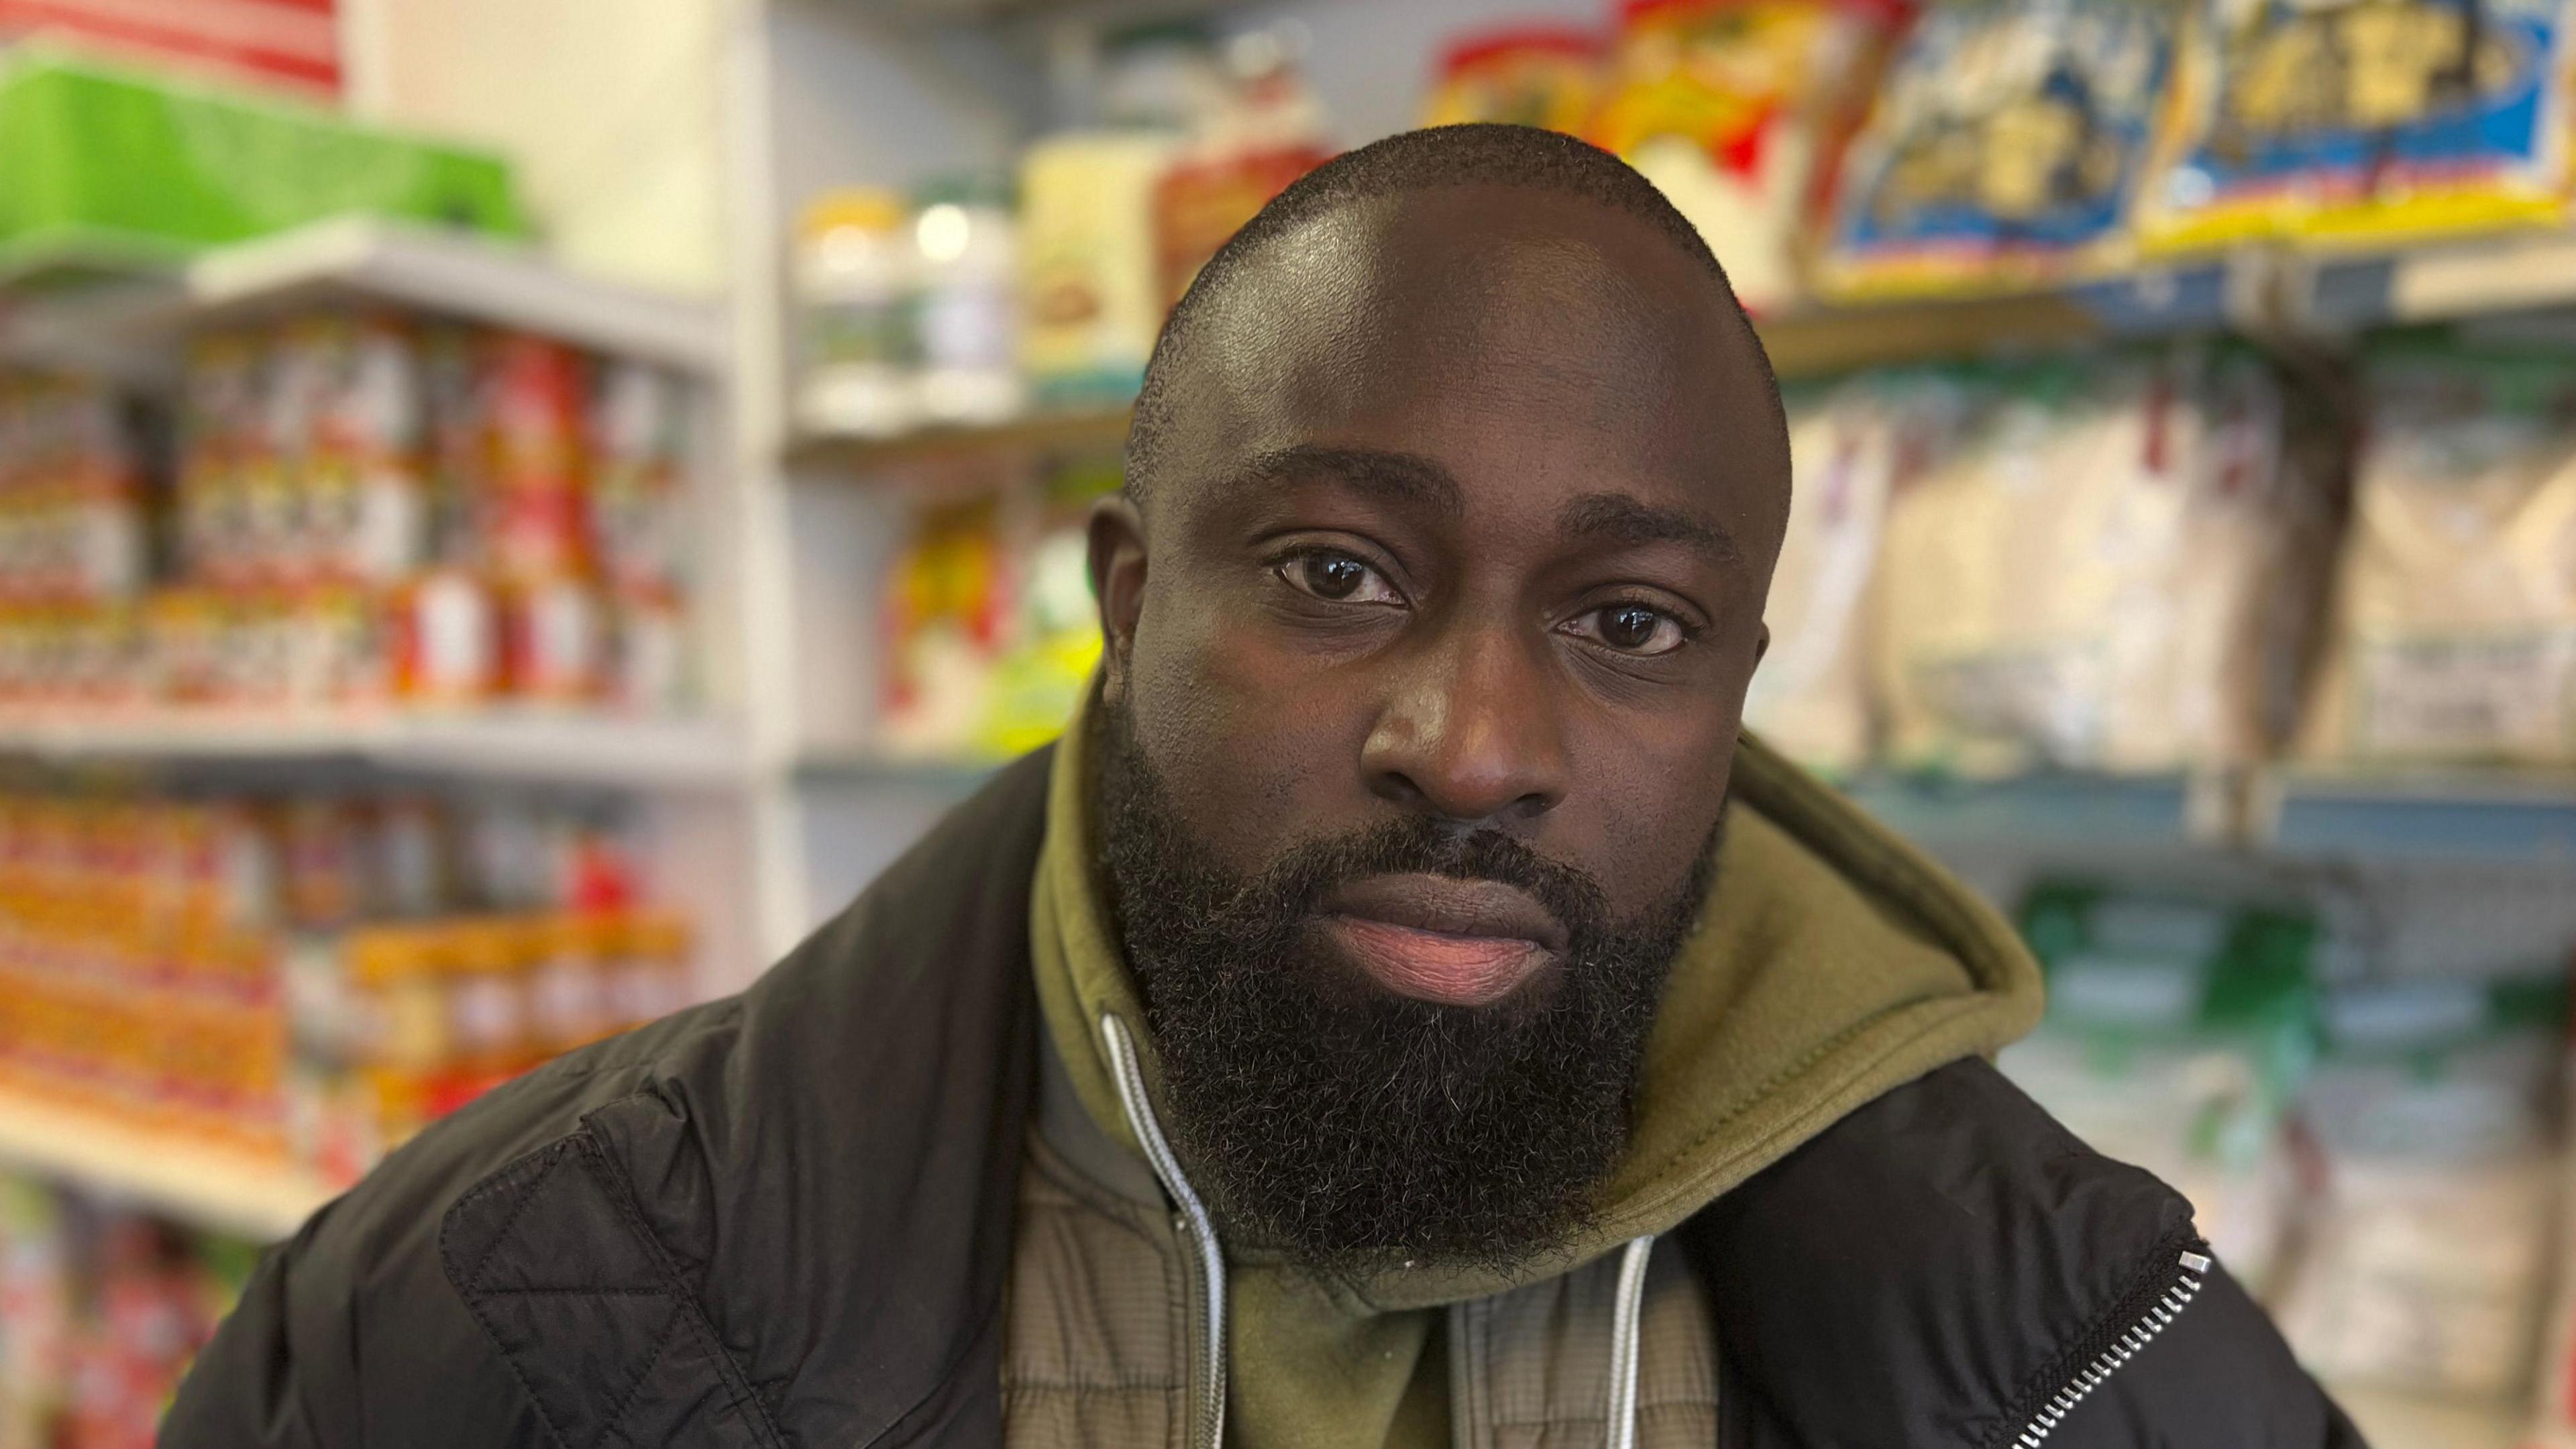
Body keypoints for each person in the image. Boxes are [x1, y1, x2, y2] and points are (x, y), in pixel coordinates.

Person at [164, 124, 2362, 1449]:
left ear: (1740, 696)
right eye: (1339, 574)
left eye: (1629, 625)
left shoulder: (2100, 1348)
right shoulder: (505, 1308)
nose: (1480, 748)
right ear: (1129, 601)